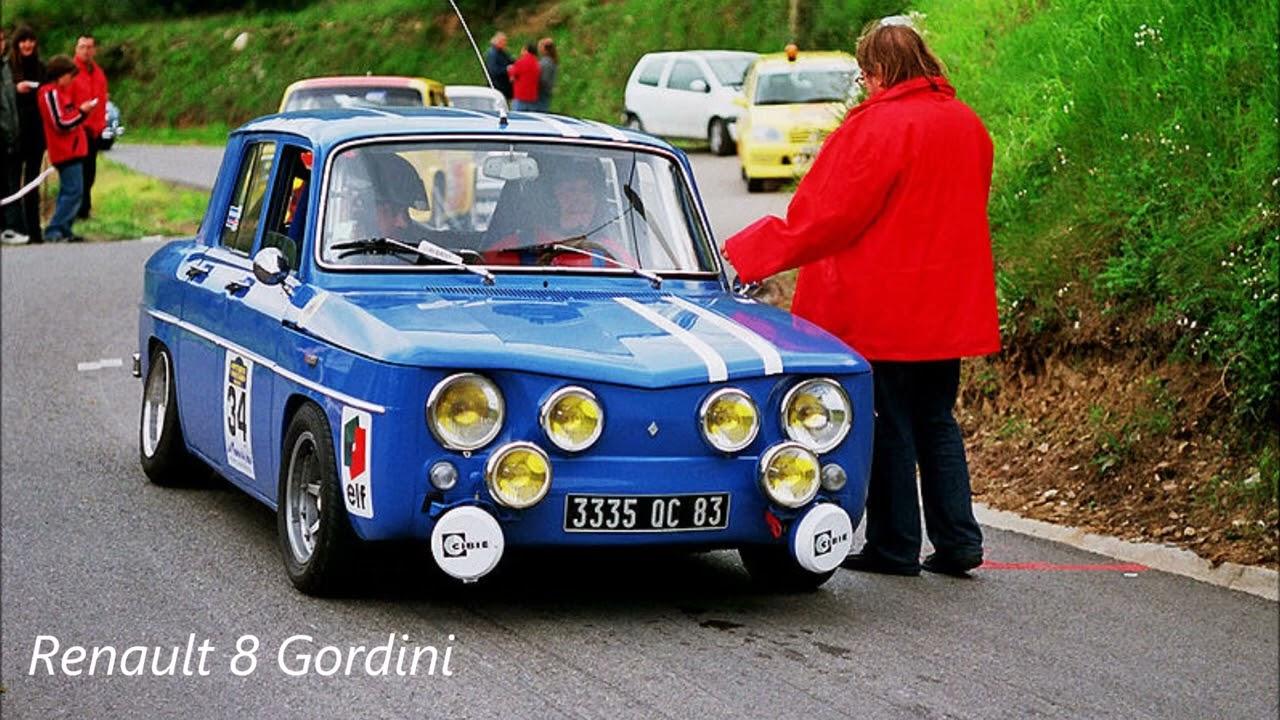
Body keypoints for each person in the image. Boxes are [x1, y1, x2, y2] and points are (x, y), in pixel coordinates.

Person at [721, 21, 999, 577]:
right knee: (936, 420)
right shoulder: (968, 124)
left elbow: (825, 218)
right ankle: (959, 541)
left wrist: (745, 254)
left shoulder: (874, 128)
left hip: (884, 306)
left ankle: (895, 546)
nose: (866, 83)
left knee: (887, 423)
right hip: (946, 305)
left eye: (866, 73)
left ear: (878, 71)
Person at [37, 55, 94, 243]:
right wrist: (82, 112)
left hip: (73, 149)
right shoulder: (50, 93)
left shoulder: (61, 93)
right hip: (64, 150)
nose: (71, 80)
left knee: (72, 191)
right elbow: (60, 123)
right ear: (60, 74)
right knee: (73, 191)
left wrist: (79, 112)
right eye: (70, 76)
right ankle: (55, 228)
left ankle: (65, 227)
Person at [8, 24, 46, 243]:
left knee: (33, 182)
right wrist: (16, 89)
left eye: (31, 40)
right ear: (17, 44)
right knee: (13, 182)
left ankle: (34, 230)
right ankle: (15, 227)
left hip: (36, 132)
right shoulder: (9, 68)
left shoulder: (41, 67)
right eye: (23, 41)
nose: (27, 44)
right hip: (15, 132)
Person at [71, 32, 108, 220]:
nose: (86, 51)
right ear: (76, 49)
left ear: (94, 50)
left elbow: (102, 100)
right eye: (82, 47)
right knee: (78, 172)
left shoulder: (98, 73)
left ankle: (85, 208)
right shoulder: (71, 72)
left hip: (94, 130)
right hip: (77, 128)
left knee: (90, 172)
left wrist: (101, 125)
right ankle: (78, 209)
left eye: (89, 47)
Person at [1, 26, 28, 245]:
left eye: (2, 40)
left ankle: (10, 228)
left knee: (9, 185)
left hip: (9, 135)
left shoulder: (5, 68)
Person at [508, 43, 541, 112]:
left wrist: (510, 70)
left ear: (526, 50)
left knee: (517, 116)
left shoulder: (520, 62)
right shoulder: (537, 63)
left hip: (520, 96)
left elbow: (512, 78)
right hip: (532, 96)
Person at [484, 32, 514, 101]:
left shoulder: (502, 52)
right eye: (504, 41)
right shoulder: (492, 54)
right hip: (497, 85)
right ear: (498, 42)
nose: (505, 43)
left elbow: (511, 61)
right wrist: (506, 69)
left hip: (505, 83)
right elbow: (493, 71)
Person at [536, 38, 558, 112]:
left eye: (540, 47)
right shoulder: (552, 61)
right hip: (546, 93)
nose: (538, 49)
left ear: (545, 49)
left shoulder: (545, 63)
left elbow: (544, 80)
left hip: (541, 94)